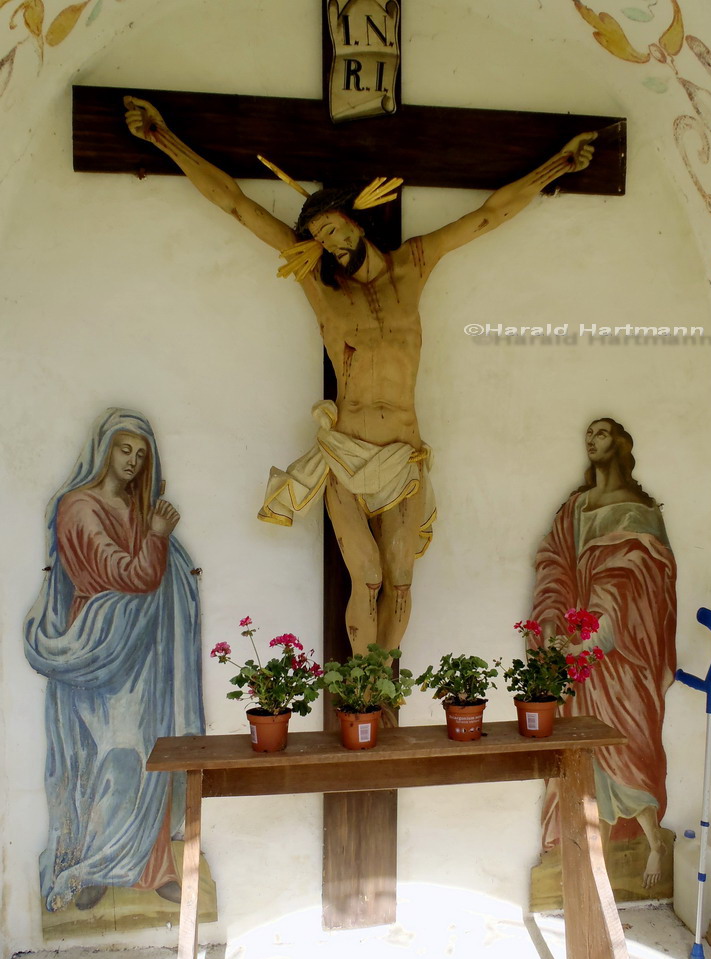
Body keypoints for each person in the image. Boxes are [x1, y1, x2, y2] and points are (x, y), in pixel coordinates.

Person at [125, 96, 596, 655]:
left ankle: (384, 698)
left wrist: (559, 166)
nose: (332, 243)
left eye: (335, 228)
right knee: (365, 576)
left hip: (403, 454)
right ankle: (360, 698)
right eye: (319, 238)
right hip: (346, 456)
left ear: (356, 219)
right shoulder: (324, 293)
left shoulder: (415, 265)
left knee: (399, 581)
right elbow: (234, 203)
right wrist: (162, 138)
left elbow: (489, 214)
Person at [24, 408, 204, 912]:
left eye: (140, 454)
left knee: (150, 750)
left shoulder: (135, 507)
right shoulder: (77, 507)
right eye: (124, 449)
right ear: (104, 448)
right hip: (101, 643)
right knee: (113, 753)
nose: (131, 461)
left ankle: (154, 867)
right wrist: (159, 535)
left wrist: (159, 538)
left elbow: (156, 572)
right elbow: (129, 574)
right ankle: (98, 865)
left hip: (145, 647)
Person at [531, 418, 677, 889]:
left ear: (622, 445)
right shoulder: (575, 508)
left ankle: (655, 844)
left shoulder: (640, 510)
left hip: (624, 658)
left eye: (602, 433)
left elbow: (644, 585)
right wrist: (557, 628)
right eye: (588, 434)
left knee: (629, 744)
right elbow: (554, 563)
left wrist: (602, 635)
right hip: (580, 656)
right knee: (588, 755)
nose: (592, 440)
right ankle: (594, 856)